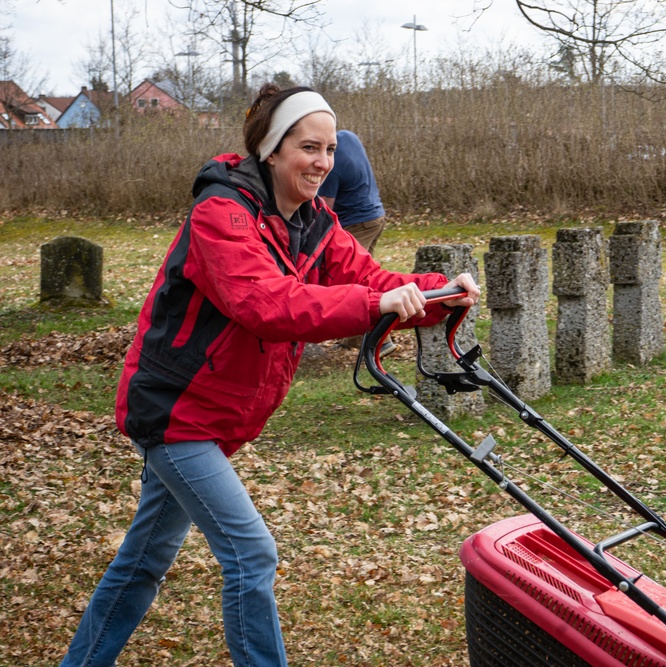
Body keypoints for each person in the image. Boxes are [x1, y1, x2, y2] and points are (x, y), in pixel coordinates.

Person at [59, 83, 479, 667]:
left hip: (217, 417)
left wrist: (439, 293)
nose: (323, 162)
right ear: (272, 149)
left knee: (142, 562)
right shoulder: (221, 215)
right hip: (175, 412)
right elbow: (268, 305)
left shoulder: (314, 221)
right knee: (251, 553)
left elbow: (370, 277)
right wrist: (373, 306)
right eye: (310, 147)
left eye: (331, 149)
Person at [318, 128, 393, 352]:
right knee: (363, 277)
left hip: (357, 222)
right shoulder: (347, 136)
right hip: (375, 216)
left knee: (349, 280)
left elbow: (323, 210)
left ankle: (382, 340)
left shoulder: (331, 166)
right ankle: (353, 338)